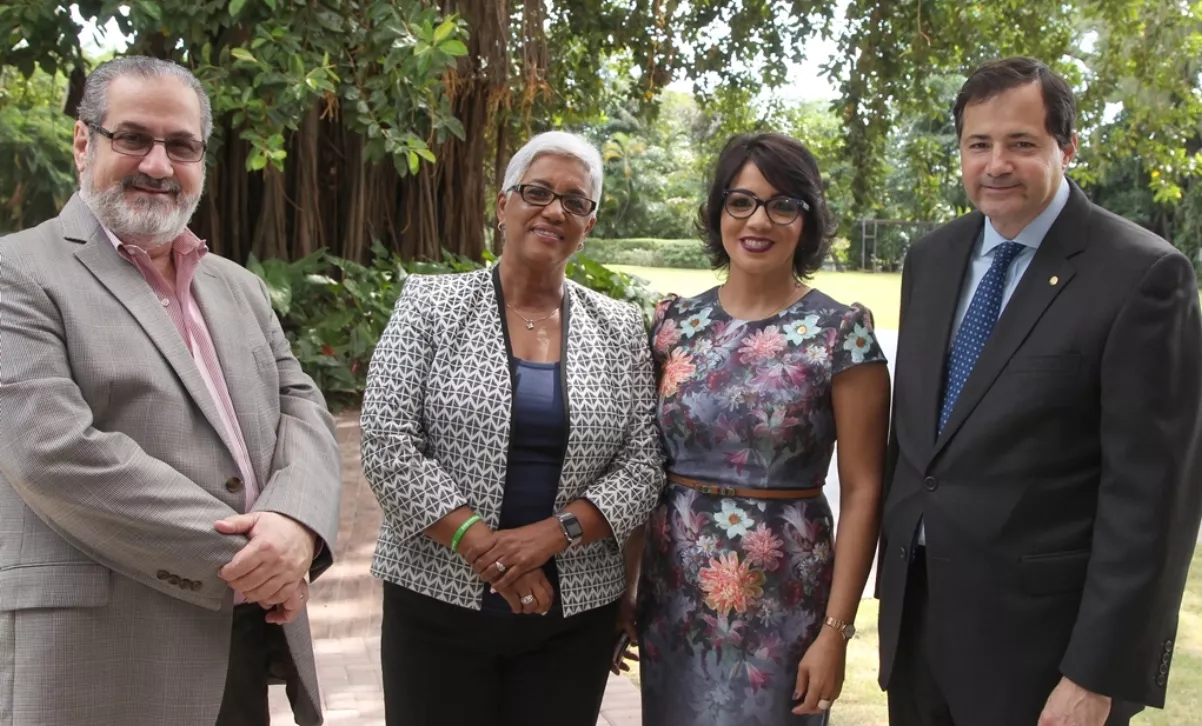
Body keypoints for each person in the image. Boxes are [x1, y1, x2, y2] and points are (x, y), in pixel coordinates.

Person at [0, 56, 342, 726]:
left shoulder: (236, 285)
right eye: (133, 137)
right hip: (99, 649)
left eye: (181, 145)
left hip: (242, 639)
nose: (158, 165)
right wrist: (256, 557)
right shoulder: (19, 273)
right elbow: (52, 452)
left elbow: (302, 405)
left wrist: (298, 526)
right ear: (83, 142)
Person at [877, 56, 1202, 726]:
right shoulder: (931, 260)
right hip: (918, 629)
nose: (996, 164)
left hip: (1043, 654)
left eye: (1021, 143)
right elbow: (920, 447)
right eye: (978, 144)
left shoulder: (1144, 276)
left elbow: (1152, 502)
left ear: (1067, 147)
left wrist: (1096, 674)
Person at [360, 130, 664, 726]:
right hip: (436, 601)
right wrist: (485, 548)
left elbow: (644, 465)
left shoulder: (622, 327)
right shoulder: (430, 304)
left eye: (576, 202)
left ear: (590, 224)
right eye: (537, 192)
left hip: (572, 615)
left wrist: (550, 536)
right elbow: (388, 444)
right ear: (503, 205)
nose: (555, 210)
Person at [627, 131, 890, 725]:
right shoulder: (674, 324)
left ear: (808, 218)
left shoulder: (841, 332)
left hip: (784, 599)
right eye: (741, 201)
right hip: (674, 595)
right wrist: (628, 582)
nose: (759, 220)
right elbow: (644, 463)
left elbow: (865, 490)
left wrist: (836, 633)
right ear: (719, 210)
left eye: (783, 204)